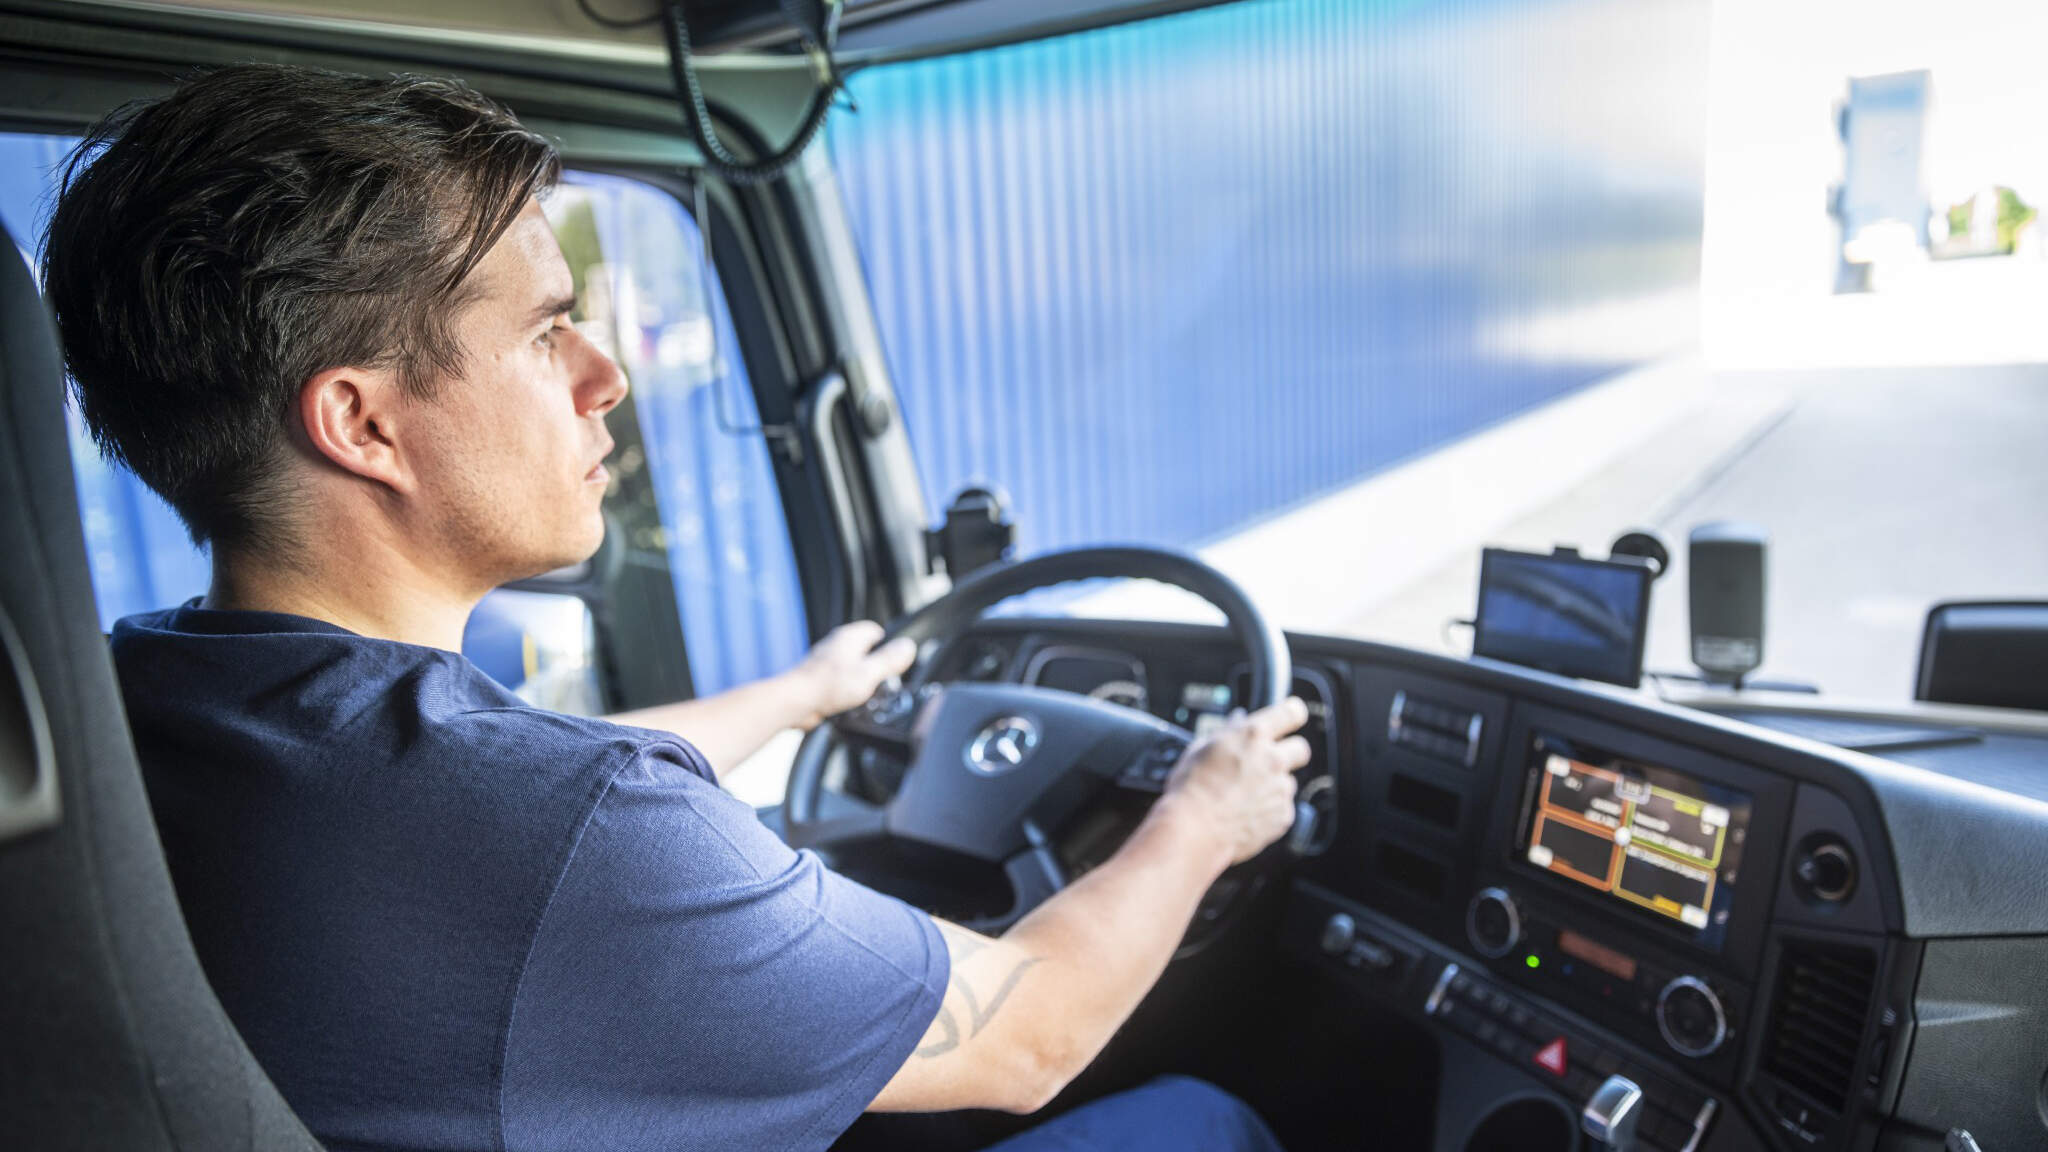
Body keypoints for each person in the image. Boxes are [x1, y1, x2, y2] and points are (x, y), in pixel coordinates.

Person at [41, 63, 1309, 1152]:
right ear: (362, 423)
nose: (606, 376)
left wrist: (807, 695)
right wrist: (1203, 814)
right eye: (545, 335)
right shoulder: (572, 833)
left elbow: (519, 802)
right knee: (1202, 1116)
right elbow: (1030, 1034)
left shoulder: (133, 701)